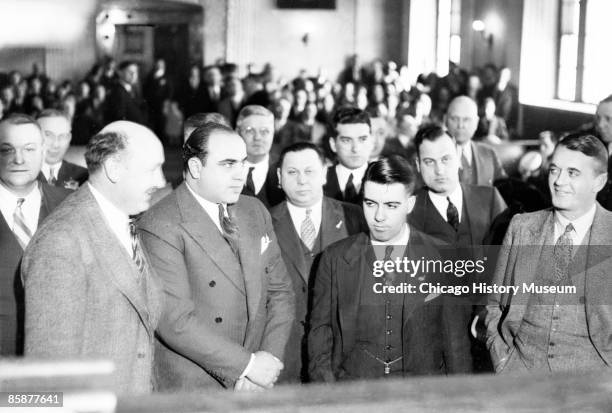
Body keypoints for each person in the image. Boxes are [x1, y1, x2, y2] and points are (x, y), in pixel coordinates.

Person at [138, 122, 294, 392]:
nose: (239, 175)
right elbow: (175, 322)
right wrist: (246, 367)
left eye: (242, 163)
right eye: (227, 164)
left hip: (258, 379)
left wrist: (267, 361)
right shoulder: (160, 223)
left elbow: (281, 292)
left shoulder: (254, 210)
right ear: (196, 168)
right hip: (196, 384)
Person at [22, 121, 166, 394]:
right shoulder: (61, 242)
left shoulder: (123, 220)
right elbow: (46, 380)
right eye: (151, 170)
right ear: (113, 168)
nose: (160, 181)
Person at [309, 155, 454, 381]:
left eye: (391, 205)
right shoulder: (334, 258)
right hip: (354, 393)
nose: (378, 216)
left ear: (410, 204)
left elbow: (456, 344)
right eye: (370, 203)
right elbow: (320, 334)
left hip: (422, 395)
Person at [486, 133, 612, 373]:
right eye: (554, 170)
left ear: (599, 182)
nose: (558, 181)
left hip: (594, 384)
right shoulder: (521, 227)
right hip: (520, 375)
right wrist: (502, 360)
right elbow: (495, 303)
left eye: (572, 173)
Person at [408, 124, 507, 372]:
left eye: (446, 159)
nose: (439, 170)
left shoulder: (490, 198)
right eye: (429, 162)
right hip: (435, 339)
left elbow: (510, 264)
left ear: (459, 159)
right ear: (418, 165)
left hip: (490, 332)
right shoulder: (407, 211)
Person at [271, 142, 366, 382]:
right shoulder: (262, 222)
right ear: (279, 177)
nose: (302, 180)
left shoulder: (355, 218)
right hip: (284, 358)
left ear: (324, 174)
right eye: (292, 172)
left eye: (310, 171)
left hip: (341, 358)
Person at [0, 114, 71, 356]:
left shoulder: (71, 205)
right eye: (7, 149)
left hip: (57, 361)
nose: (18, 159)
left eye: (29, 149)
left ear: (43, 151)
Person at [445, 96, 506, 186]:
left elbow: (505, 189)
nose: (460, 125)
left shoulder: (489, 154)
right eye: (454, 119)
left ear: (476, 122)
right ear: (445, 120)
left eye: (466, 119)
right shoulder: (433, 154)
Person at [323, 106, 374, 205]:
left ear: (371, 141)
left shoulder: (386, 181)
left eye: (362, 139)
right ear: (333, 144)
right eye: (346, 140)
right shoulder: (320, 182)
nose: (355, 148)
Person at [237, 105, 284, 208]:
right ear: (238, 132)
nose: (257, 137)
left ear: (273, 133)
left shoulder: (284, 169)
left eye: (264, 131)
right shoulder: (226, 169)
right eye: (250, 131)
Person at [36, 109, 88, 189]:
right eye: (48, 135)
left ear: (69, 139)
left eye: (62, 136)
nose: (56, 144)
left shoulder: (84, 176)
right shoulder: (18, 175)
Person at [105, 61, 148, 126]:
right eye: (129, 71)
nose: (133, 74)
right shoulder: (118, 93)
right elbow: (119, 120)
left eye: (135, 71)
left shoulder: (132, 90)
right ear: (120, 73)